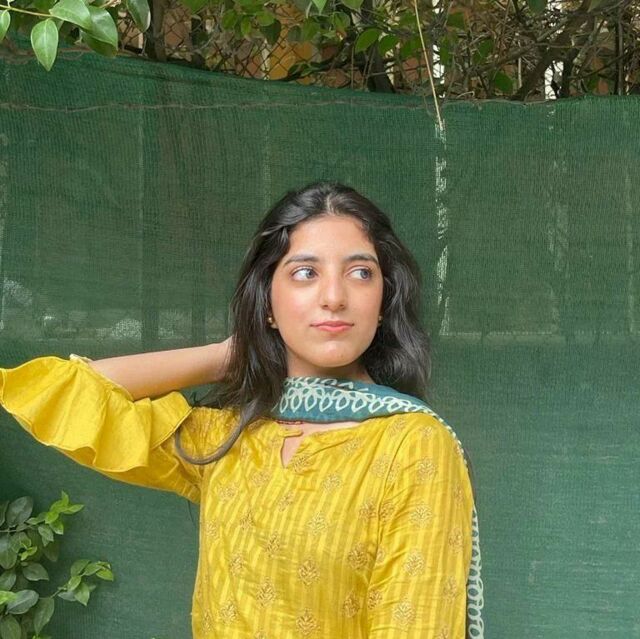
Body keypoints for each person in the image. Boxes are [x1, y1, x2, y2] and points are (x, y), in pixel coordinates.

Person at [0, 181, 484, 638]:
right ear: (267, 303)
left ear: (383, 301)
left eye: (360, 273)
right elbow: (68, 392)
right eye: (305, 273)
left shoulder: (414, 447)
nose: (335, 297)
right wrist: (226, 356)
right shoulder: (229, 437)